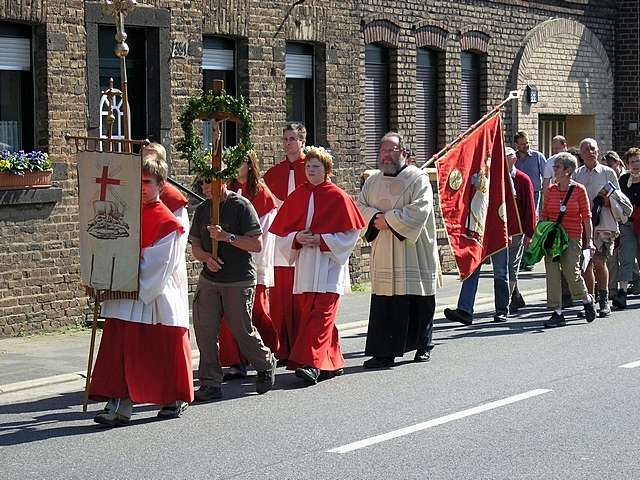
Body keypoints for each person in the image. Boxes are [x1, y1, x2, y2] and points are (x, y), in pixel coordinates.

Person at [90, 148, 193, 426]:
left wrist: (127, 271)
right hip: (125, 294)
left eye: (147, 183)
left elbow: (159, 267)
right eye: (138, 182)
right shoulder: (124, 216)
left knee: (158, 349)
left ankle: (172, 397)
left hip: (152, 294)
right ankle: (119, 403)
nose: (142, 188)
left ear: (161, 185)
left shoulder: (168, 223)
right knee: (119, 349)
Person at [269, 147, 365, 384]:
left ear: (327, 170)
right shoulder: (298, 195)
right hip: (306, 264)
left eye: (316, 167)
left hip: (329, 264)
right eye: (308, 167)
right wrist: (296, 238)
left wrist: (322, 240)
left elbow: (350, 234)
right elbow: (283, 233)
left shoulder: (339, 196)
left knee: (321, 314)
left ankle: (310, 364)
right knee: (311, 315)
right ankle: (333, 362)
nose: (311, 171)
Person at [190, 175, 276, 401]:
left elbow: (256, 244)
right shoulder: (202, 209)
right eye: (203, 183)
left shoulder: (241, 206)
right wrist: (207, 258)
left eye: (210, 181)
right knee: (205, 329)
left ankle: (265, 362)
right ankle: (210, 382)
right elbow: (196, 246)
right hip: (210, 279)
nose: (206, 187)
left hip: (238, 279)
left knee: (240, 328)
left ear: (224, 181)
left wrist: (226, 236)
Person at [358, 132, 439, 368]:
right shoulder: (372, 181)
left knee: (417, 300)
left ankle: (423, 345)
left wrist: (389, 220)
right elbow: (360, 206)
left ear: (404, 152)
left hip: (413, 250)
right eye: (382, 150)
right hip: (384, 249)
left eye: (391, 150)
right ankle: (385, 352)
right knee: (386, 303)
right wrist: (375, 218)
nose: (385, 155)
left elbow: (420, 210)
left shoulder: (418, 179)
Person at [217, 151, 280, 379]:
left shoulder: (262, 195)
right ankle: (235, 362)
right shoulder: (228, 192)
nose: (236, 167)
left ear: (250, 165)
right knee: (228, 316)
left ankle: (268, 351)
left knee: (256, 313)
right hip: (228, 264)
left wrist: (256, 263)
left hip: (252, 265)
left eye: (240, 162)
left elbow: (264, 234)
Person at [262, 123, 308, 362]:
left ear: (302, 141)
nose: (288, 143)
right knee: (281, 294)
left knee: (301, 293)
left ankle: (301, 345)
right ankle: (283, 347)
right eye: (285, 139)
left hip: (303, 236)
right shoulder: (274, 173)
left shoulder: (311, 168)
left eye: (292, 139)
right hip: (281, 238)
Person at [573, 138, 631, 317]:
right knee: (586, 265)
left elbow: (619, 199)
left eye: (593, 149)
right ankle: (590, 301)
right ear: (581, 154)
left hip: (604, 223)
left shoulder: (608, 172)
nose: (590, 152)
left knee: (599, 261)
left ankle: (604, 300)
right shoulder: (577, 174)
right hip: (583, 225)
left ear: (598, 152)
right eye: (586, 149)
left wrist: (607, 201)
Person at [540, 152, 596, 328]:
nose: (554, 170)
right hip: (553, 238)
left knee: (572, 271)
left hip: (572, 236)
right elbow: (544, 215)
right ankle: (557, 312)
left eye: (557, 167)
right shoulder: (550, 190)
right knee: (553, 272)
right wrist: (540, 238)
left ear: (568, 170)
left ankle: (586, 300)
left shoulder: (579, 190)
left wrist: (590, 241)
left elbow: (586, 217)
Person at [507, 147, 537, 314]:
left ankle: (508, 299)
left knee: (512, 265)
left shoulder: (523, 179)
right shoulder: (498, 179)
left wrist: (529, 233)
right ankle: (515, 296)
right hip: (502, 230)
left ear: (514, 160)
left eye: (507, 158)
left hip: (517, 230)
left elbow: (530, 209)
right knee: (505, 266)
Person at [612, 148, 640, 309]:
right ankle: (622, 293)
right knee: (626, 258)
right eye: (632, 161)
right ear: (627, 164)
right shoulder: (623, 180)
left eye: (638, 160)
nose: (636, 164)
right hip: (627, 224)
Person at [514, 131, 546, 213]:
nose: (526, 146)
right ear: (516, 145)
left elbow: (546, 175)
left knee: (532, 216)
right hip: (517, 194)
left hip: (534, 193)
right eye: (522, 144)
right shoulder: (512, 159)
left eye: (527, 143)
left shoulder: (538, 156)